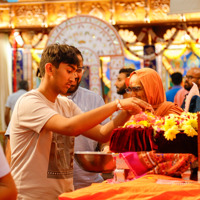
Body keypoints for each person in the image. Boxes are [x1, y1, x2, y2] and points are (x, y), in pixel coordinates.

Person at [9, 44, 151, 199]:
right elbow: (70, 127)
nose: (74, 77)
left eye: (76, 71)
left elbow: (102, 134)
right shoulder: (29, 102)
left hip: (63, 195)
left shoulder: (65, 104)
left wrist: (127, 111)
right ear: (49, 69)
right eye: (69, 71)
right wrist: (116, 104)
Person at [62, 46, 109, 189]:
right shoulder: (44, 100)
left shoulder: (94, 99)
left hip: (89, 182)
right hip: (53, 185)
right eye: (69, 71)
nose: (75, 76)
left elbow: (104, 137)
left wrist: (106, 151)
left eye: (79, 70)